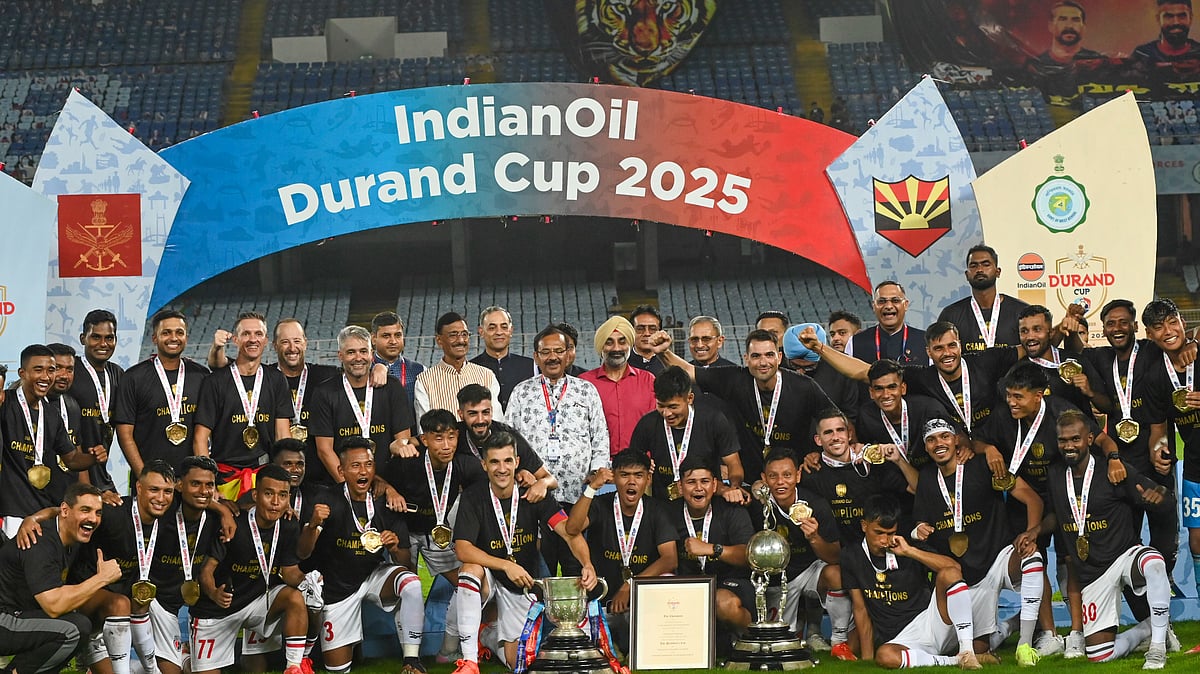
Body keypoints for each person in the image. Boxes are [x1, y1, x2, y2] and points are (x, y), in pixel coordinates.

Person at [451, 431, 598, 674]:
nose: (502, 469)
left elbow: (569, 533)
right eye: (495, 462)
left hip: (520, 584)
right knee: (469, 571)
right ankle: (470, 662)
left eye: (507, 461)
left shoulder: (534, 494)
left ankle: (487, 635)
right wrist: (506, 565)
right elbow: (462, 549)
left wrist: (587, 563)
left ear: (517, 462)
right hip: (491, 577)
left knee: (517, 663)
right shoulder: (473, 496)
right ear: (484, 464)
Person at [1043, 409, 1176, 668]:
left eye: (1075, 439)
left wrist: (1158, 497)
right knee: (1100, 655)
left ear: (1090, 439)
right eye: (1063, 440)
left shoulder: (1113, 470)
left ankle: (1158, 648)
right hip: (1093, 574)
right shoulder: (1056, 475)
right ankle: (1147, 628)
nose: (1068, 446)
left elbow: (1159, 493)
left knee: (1153, 563)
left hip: (1123, 557)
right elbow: (1056, 514)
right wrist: (1034, 532)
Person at [912, 419, 1046, 665]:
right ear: (925, 447)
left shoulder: (982, 465)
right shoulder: (927, 479)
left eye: (944, 437)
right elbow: (920, 523)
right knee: (978, 647)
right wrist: (918, 529)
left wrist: (1031, 533)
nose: (938, 444)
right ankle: (1009, 626)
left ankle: (1025, 645)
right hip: (963, 578)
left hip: (997, 561)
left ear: (955, 440)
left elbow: (1032, 499)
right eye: (931, 440)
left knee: (1032, 557)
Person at [302, 436, 426, 674]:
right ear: (342, 470)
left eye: (368, 464)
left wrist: (394, 548)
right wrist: (312, 526)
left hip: (373, 577)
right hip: (337, 588)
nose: (363, 471)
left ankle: (412, 660)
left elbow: (406, 564)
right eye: (356, 465)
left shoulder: (386, 502)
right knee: (337, 669)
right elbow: (302, 553)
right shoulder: (326, 500)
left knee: (411, 583)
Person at [650, 328, 833, 479]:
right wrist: (664, 352)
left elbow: (833, 417)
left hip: (793, 478)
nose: (763, 362)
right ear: (746, 358)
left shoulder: (803, 386)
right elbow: (690, 371)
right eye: (756, 356)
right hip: (750, 478)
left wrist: (818, 450)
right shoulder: (735, 379)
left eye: (769, 355)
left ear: (779, 357)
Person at [1080, 300, 1177, 579]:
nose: (1117, 328)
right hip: (1121, 463)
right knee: (1126, 527)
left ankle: (1163, 580)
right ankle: (1131, 583)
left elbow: (1182, 339)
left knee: (1163, 523)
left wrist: (1192, 345)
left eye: (1124, 322)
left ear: (1136, 326)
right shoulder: (1099, 358)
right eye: (1111, 323)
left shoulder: (1152, 351)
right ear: (1105, 329)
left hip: (1157, 457)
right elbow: (1074, 354)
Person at [190, 464, 312, 674]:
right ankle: (185, 657)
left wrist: (308, 580)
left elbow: (290, 572)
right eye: (269, 494)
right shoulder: (234, 523)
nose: (275, 502)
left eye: (282, 495)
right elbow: (206, 571)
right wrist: (213, 593)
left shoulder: (288, 524)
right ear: (255, 495)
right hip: (218, 609)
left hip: (258, 601)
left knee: (294, 597)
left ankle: (294, 667)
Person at [508, 325, 609, 575]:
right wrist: (520, 471)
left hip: (577, 495)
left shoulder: (586, 390)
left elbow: (600, 434)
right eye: (545, 352)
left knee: (577, 565)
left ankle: (578, 613)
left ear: (568, 354)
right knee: (541, 567)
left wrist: (596, 471)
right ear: (536, 356)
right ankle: (540, 614)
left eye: (558, 351)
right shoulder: (522, 392)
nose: (552, 357)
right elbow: (508, 437)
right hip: (535, 496)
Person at [800, 321, 1019, 436]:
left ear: (960, 345)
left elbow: (1029, 348)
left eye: (952, 345)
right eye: (938, 348)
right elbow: (864, 372)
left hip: (994, 447)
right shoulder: (922, 377)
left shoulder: (985, 360)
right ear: (929, 353)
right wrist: (820, 348)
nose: (947, 353)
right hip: (951, 450)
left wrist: (1054, 332)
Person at [844, 494, 982, 669]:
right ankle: (956, 660)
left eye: (890, 533)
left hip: (931, 623)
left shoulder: (906, 545)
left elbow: (954, 568)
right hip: (902, 640)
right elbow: (860, 608)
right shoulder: (851, 555)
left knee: (949, 574)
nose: (884, 540)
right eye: (878, 533)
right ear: (864, 526)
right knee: (885, 656)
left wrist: (910, 552)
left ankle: (967, 651)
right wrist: (867, 659)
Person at [0, 483, 126, 674]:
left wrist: (33, 516)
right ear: (66, 511)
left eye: (98, 512)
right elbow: (54, 606)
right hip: (4, 618)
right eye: (85, 510)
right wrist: (102, 578)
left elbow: (56, 511)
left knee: (77, 621)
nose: (92, 518)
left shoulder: (73, 530)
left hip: (21, 615)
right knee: (73, 628)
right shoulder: (38, 540)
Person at [394, 410, 487, 662]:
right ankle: (409, 656)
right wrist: (390, 489)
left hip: (439, 535)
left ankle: (447, 649)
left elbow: (489, 487)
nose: (446, 446)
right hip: (405, 532)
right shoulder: (408, 461)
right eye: (438, 438)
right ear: (424, 440)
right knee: (406, 589)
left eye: (451, 437)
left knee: (470, 586)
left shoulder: (464, 464)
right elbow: (379, 478)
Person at [565, 449, 678, 654]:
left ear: (648, 479)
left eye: (638, 476)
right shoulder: (601, 504)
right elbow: (572, 529)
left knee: (664, 585)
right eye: (624, 475)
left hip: (638, 602)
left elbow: (670, 559)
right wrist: (592, 488)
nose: (631, 482)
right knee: (580, 647)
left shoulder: (658, 510)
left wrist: (630, 586)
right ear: (614, 477)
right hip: (601, 602)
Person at [209, 318, 342, 487]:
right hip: (278, 476)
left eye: (297, 341)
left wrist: (380, 367)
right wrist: (217, 346)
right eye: (285, 342)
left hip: (322, 477)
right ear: (274, 345)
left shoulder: (327, 375)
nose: (292, 348)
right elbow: (220, 364)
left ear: (306, 343)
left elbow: (358, 368)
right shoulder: (265, 377)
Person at [753, 448, 853, 660]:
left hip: (810, 570)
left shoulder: (815, 504)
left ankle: (839, 642)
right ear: (764, 479)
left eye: (787, 475)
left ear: (798, 475)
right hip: (776, 579)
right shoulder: (757, 506)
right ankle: (796, 630)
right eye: (773, 476)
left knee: (836, 574)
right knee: (777, 646)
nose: (781, 482)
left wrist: (815, 537)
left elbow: (834, 556)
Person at [2, 344, 104, 537]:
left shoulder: (51, 414)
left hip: (43, 510)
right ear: (22, 373)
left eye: (51, 370)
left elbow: (71, 458)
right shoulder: (5, 403)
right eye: (38, 370)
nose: (46, 377)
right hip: (11, 513)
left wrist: (92, 458)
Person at [193, 311, 295, 500]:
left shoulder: (276, 379)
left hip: (265, 477)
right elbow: (200, 438)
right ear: (235, 340)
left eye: (258, 334)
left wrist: (284, 482)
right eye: (246, 334)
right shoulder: (215, 381)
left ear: (266, 340)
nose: (252, 339)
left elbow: (283, 436)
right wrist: (209, 483)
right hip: (224, 478)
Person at [1142, 299, 1200, 601]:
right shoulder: (1154, 377)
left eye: (1172, 321)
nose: (1168, 331)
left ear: (1183, 322)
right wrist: (1159, 452)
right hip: (1194, 465)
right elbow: (1157, 430)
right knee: (1197, 542)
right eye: (1158, 327)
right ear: (1150, 335)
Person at [669, 456, 755, 659]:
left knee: (722, 602)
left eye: (705, 481)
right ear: (680, 487)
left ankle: (752, 642)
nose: (698, 488)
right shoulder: (667, 513)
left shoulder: (732, 510)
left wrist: (712, 549)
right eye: (691, 482)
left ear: (715, 485)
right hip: (687, 584)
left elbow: (749, 555)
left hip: (730, 583)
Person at [309, 325, 414, 489]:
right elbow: (324, 450)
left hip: (388, 486)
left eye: (363, 351)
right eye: (351, 352)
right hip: (343, 487)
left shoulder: (392, 388)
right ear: (340, 356)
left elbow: (402, 439)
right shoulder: (324, 393)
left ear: (372, 355)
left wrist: (386, 487)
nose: (358, 357)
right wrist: (351, 488)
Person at [147, 456, 226, 674]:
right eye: (195, 483)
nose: (203, 491)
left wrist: (224, 510)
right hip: (157, 604)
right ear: (179, 485)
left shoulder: (216, 521)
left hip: (194, 608)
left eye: (209, 485)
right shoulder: (160, 514)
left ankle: (184, 653)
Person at [627, 366, 745, 503]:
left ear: (689, 398)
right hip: (663, 508)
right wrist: (643, 465)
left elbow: (733, 463)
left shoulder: (714, 421)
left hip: (709, 506)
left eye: (673, 407)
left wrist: (734, 488)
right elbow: (631, 464)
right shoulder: (647, 424)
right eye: (661, 406)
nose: (666, 413)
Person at [113, 309, 210, 476]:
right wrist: (144, 476)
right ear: (154, 338)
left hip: (192, 478)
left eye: (179, 332)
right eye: (166, 333)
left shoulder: (202, 375)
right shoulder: (133, 377)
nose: (173, 338)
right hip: (151, 478)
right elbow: (125, 434)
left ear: (186, 337)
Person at [800, 408, 916, 543]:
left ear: (849, 434)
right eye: (828, 432)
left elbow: (917, 490)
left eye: (840, 430)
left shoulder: (873, 464)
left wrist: (899, 460)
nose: (835, 437)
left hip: (880, 546)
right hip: (839, 553)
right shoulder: (811, 471)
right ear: (818, 440)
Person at [454, 384, 557, 498]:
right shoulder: (453, 437)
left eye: (485, 412)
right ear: (461, 414)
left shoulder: (509, 436)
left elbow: (550, 479)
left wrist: (542, 484)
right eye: (473, 414)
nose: (480, 420)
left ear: (492, 411)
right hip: (472, 506)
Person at [581, 316, 657, 457]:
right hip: (598, 469)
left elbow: (656, 428)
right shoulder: (584, 383)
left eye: (622, 342)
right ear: (601, 347)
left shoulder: (648, 380)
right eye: (609, 342)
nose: (616, 348)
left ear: (630, 345)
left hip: (640, 466)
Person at [854, 360, 948, 471]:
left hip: (933, 476)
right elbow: (863, 448)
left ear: (903, 388)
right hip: (892, 481)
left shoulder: (929, 409)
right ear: (871, 392)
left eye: (892, 387)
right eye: (879, 389)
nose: (886, 395)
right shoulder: (866, 416)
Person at [937, 245, 1030, 353]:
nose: (980, 270)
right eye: (973, 265)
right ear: (967, 275)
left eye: (986, 264)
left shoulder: (1021, 311)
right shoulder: (951, 314)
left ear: (998, 272)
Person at [70, 308, 123, 496]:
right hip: (71, 475)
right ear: (83, 338)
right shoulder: (71, 371)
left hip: (101, 476)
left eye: (109, 338)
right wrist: (88, 488)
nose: (103, 344)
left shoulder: (118, 374)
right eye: (96, 337)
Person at [415, 312, 504, 421]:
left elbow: (496, 422)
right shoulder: (424, 381)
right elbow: (425, 430)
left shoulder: (487, 376)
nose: (461, 340)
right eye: (453, 335)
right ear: (439, 340)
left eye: (464, 334)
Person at [782, 323, 862, 425]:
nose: (800, 372)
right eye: (794, 366)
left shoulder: (841, 370)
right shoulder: (774, 366)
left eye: (809, 368)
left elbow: (850, 415)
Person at [469, 306, 534, 410]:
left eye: (504, 327)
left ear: (511, 330)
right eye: (492, 328)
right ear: (481, 332)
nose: (499, 332)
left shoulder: (530, 366)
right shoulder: (469, 369)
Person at [850, 282, 927, 365]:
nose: (889, 306)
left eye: (895, 300)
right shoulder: (855, 342)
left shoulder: (925, 341)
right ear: (873, 306)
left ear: (905, 305)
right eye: (881, 301)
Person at [1132, 0, 1200, 75]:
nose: (1176, 22)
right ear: (1158, 19)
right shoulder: (1142, 54)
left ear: (1190, 18)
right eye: (1168, 16)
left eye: (1182, 16)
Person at [371, 311, 425, 404]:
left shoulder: (419, 371)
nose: (393, 341)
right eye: (386, 336)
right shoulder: (364, 371)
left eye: (398, 335)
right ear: (373, 339)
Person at [46, 343, 83, 455]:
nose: (64, 376)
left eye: (69, 370)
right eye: (58, 368)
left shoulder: (72, 406)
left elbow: (77, 452)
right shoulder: (28, 403)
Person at [628, 305, 666, 376]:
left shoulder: (670, 365)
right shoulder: (620, 365)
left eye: (652, 329)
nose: (647, 333)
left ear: (660, 332)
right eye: (640, 329)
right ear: (631, 331)